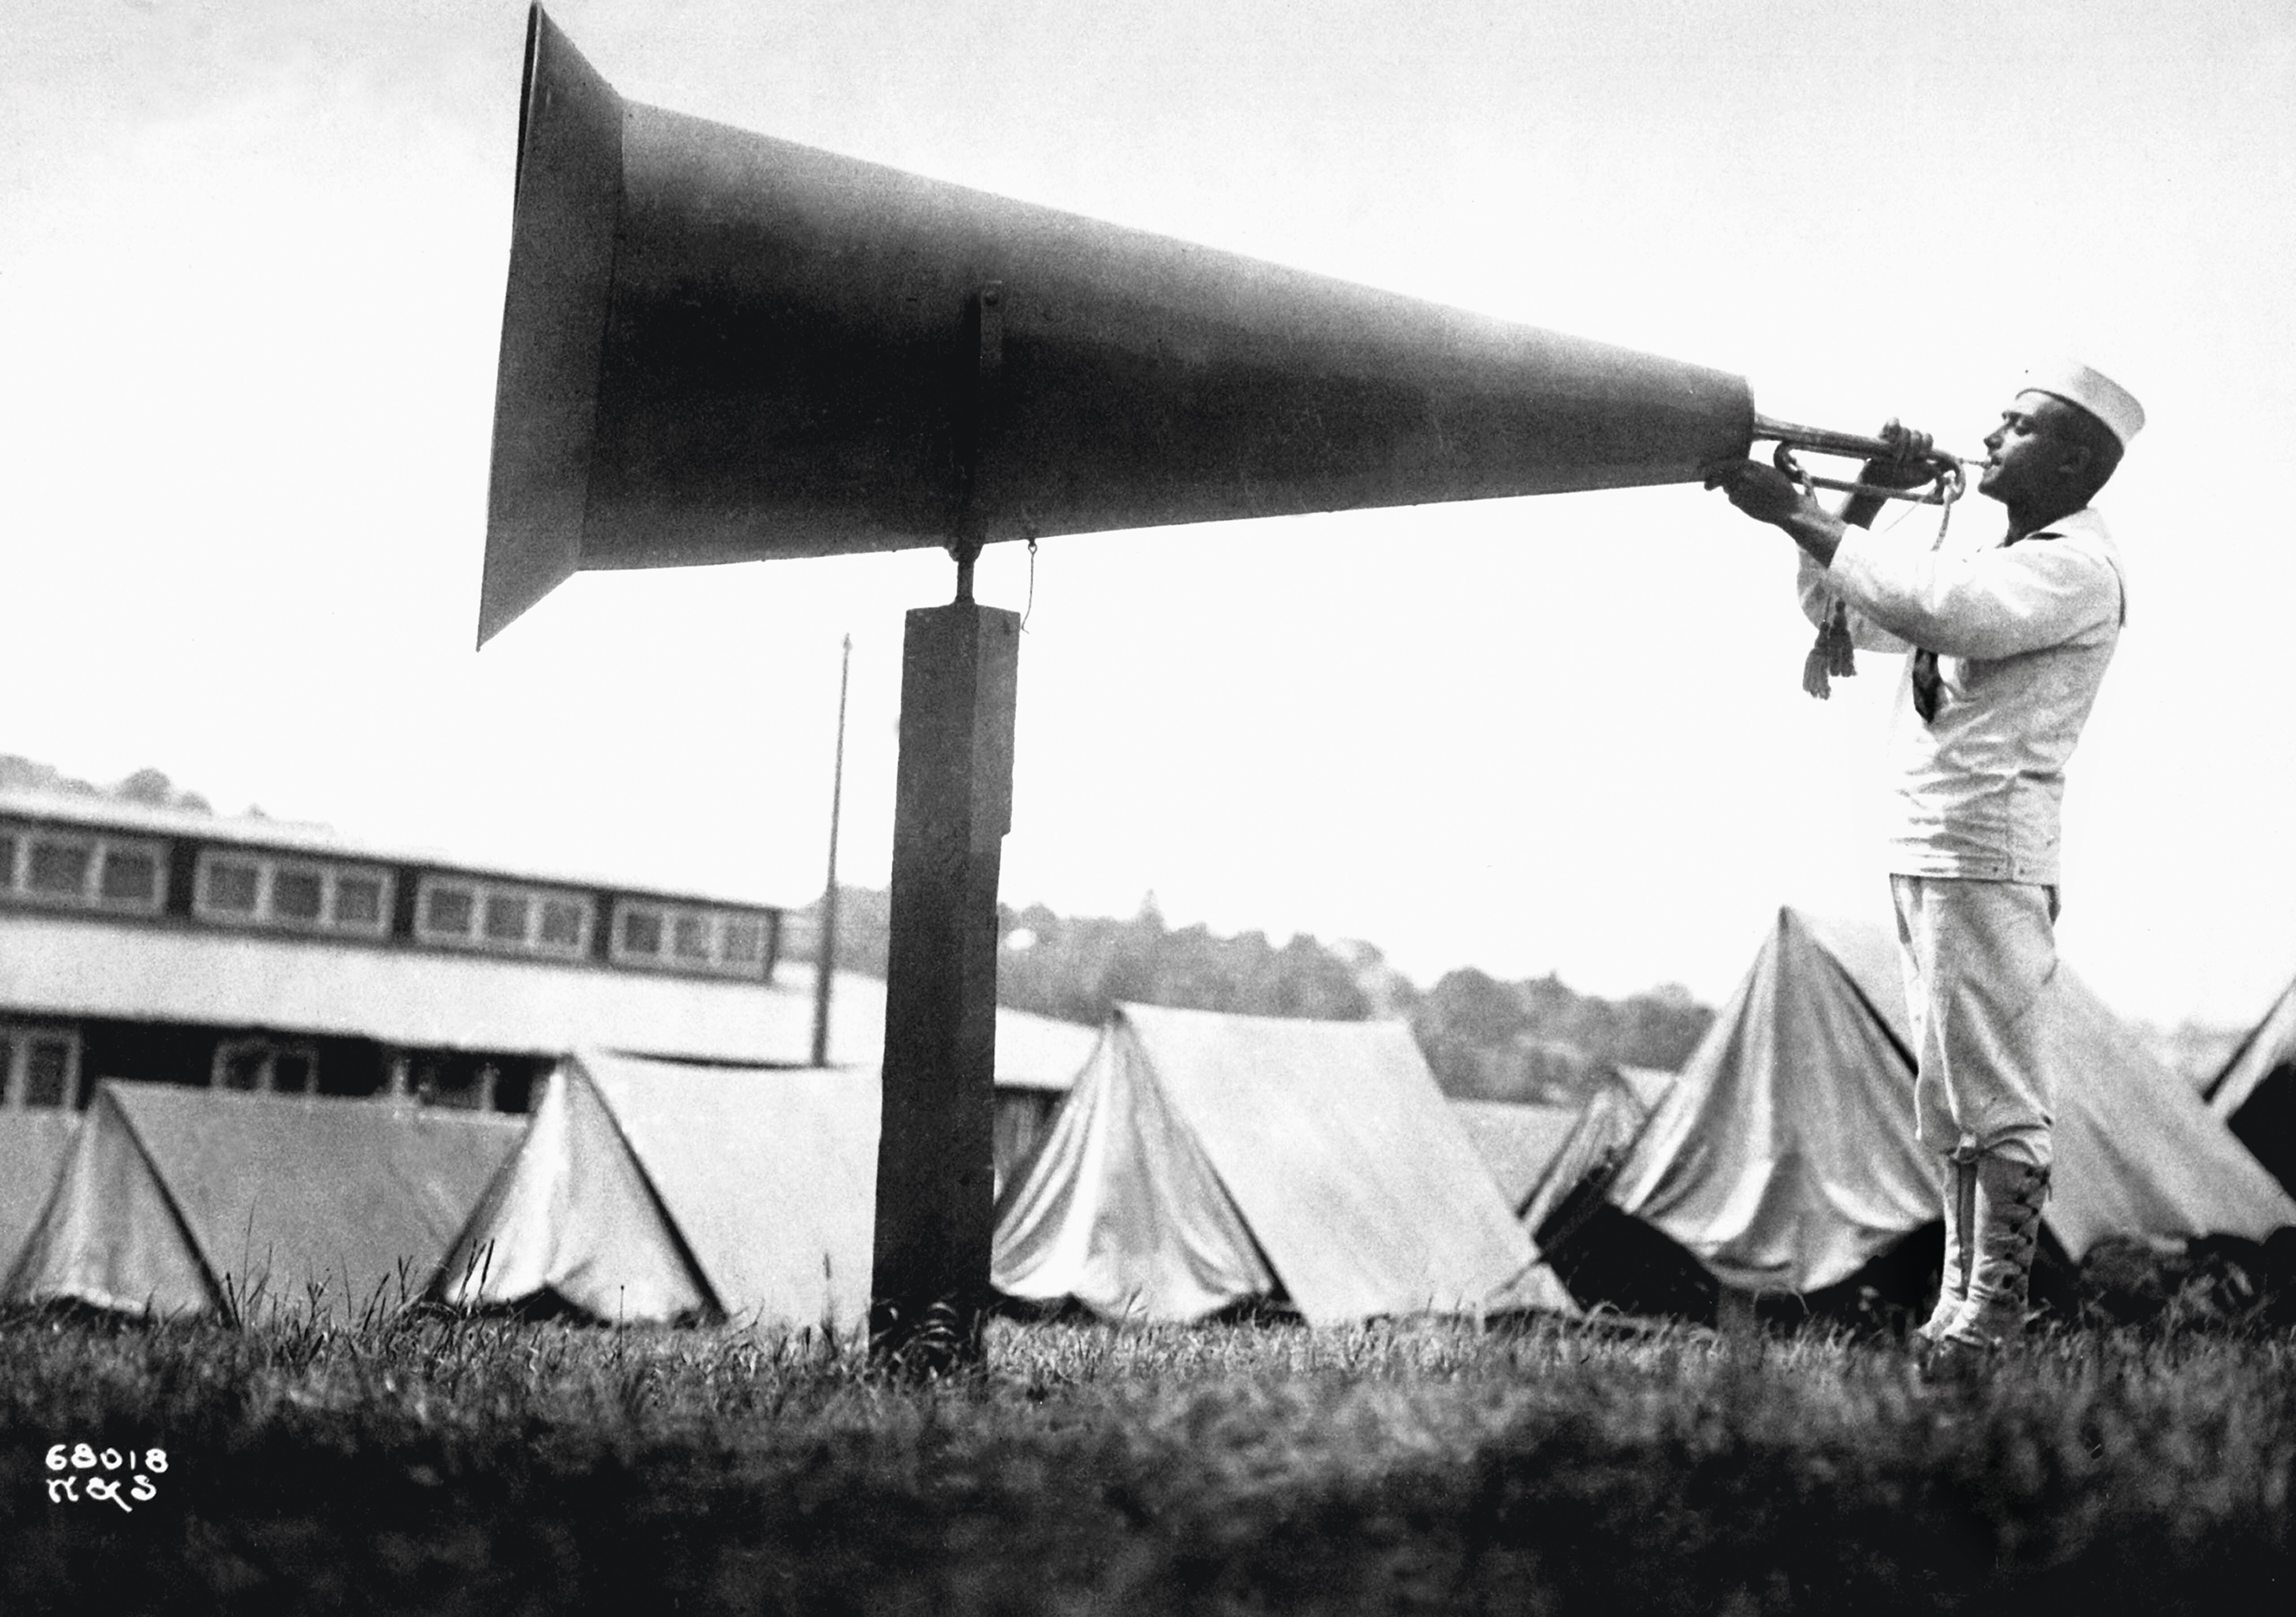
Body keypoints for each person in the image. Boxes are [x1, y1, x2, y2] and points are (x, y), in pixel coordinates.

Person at [1704, 360, 2143, 1368]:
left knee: (1994, 1090)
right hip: (1932, 844)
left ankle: (1995, 1311)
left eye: (2019, 427)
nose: (1990, 434)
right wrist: (1852, 499)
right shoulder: (2008, 551)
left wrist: (1803, 513)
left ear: (2076, 460)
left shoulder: (2075, 566)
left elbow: (1943, 607)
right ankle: (1959, 1308)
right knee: (1946, 1101)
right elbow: (1846, 609)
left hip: (1986, 849)